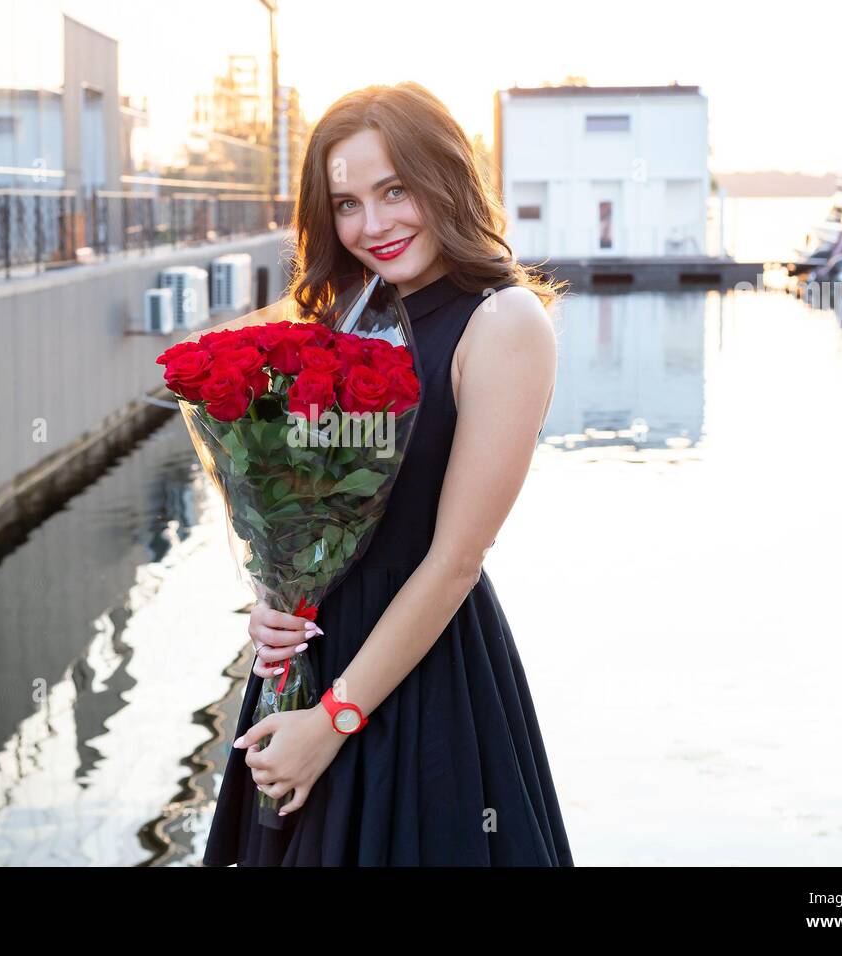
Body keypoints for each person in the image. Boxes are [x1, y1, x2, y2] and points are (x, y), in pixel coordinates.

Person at [201, 81, 575, 866]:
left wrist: (331, 722)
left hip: (415, 672)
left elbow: (455, 560)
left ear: (445, 178)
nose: (373, 225)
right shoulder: (348, 308)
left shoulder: (503, 322)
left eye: (394, 190)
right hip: (315, 651)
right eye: (346, 203)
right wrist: (272, 599)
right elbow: (298, 500)